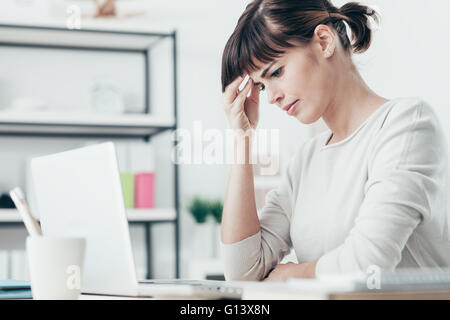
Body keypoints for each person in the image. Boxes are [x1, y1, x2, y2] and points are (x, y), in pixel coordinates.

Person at [220, 0, 450, 282]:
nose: (271, 97)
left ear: (324, 42)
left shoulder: (407, 124)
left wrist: (289, 275)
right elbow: (241, 272)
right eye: (262, 85)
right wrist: (242, 138)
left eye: (277, 72)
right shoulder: (305, 161)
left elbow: (368, 263)